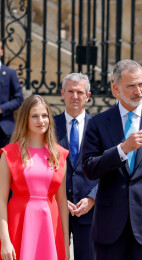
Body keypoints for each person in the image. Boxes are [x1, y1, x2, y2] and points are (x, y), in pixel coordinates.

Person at [82, 59, 142, 260]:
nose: (139, 90)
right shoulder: (98, 123)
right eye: (131, 85)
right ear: (115, 89)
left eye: (141, 83)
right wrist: (122, 149)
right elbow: (89, 168)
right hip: (109, 227)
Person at [0, 95, 69, 260]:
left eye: (45, 116)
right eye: (35, 116)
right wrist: (5, 240)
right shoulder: (9, 153)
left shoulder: (59, 154)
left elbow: (61, 201)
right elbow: (1, 199)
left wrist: (65, 243)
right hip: (18, 226)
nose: (41, 120)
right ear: (25, 118)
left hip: (50, 227)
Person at [54, 73, 97, 260]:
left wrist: (92, 198)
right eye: (70, 91)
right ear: (62, 94)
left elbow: (109, 168)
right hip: (55, 210)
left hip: (88, 210)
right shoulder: (49, 126)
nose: (75, 96)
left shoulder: (99, 126)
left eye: (80, 92)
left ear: (88, 96)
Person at [0, 40, 23, 148]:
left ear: (1, 52)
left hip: (4, 129)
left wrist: (2, 108)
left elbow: (19, 99)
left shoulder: (10, 73)